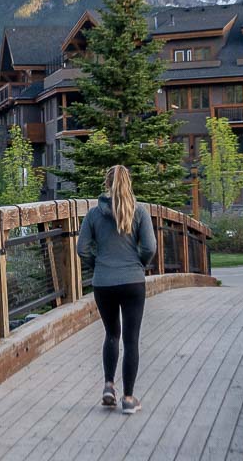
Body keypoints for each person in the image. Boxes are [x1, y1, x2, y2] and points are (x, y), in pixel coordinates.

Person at [77, 165, 156, 414]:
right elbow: (150, 247)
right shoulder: (139, 212)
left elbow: (82, 249)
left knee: (112, 334)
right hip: (133, 281)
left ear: (106, 184)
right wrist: (139, 264)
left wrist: (98, 265)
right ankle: (129, 399)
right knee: (131, 341)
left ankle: (109, 386)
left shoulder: (93, 215)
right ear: (129, 184)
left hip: (104, 282)